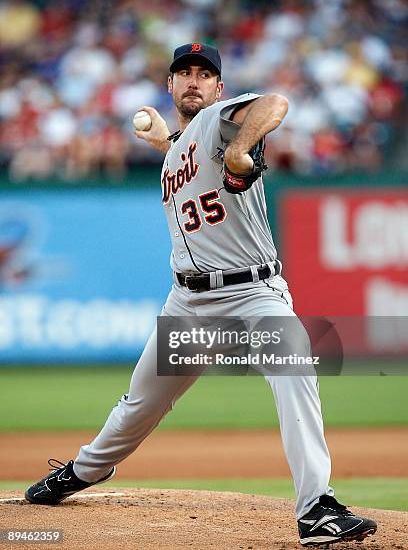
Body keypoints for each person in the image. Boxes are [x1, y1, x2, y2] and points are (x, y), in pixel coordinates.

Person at [25, 43, 377, 547]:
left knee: (294, 366)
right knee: (138, 407)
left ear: (219, 88)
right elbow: (186, 150)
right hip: (189, 306)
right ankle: (84, 470)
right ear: (170, 86)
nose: (193, 80)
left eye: (204, 74)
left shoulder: (221, 120)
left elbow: (275, 104)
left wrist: (240, 148)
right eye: (183, 73)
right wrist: (162, 138)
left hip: (254, 292)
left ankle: (316, 509)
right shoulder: (180, 147)